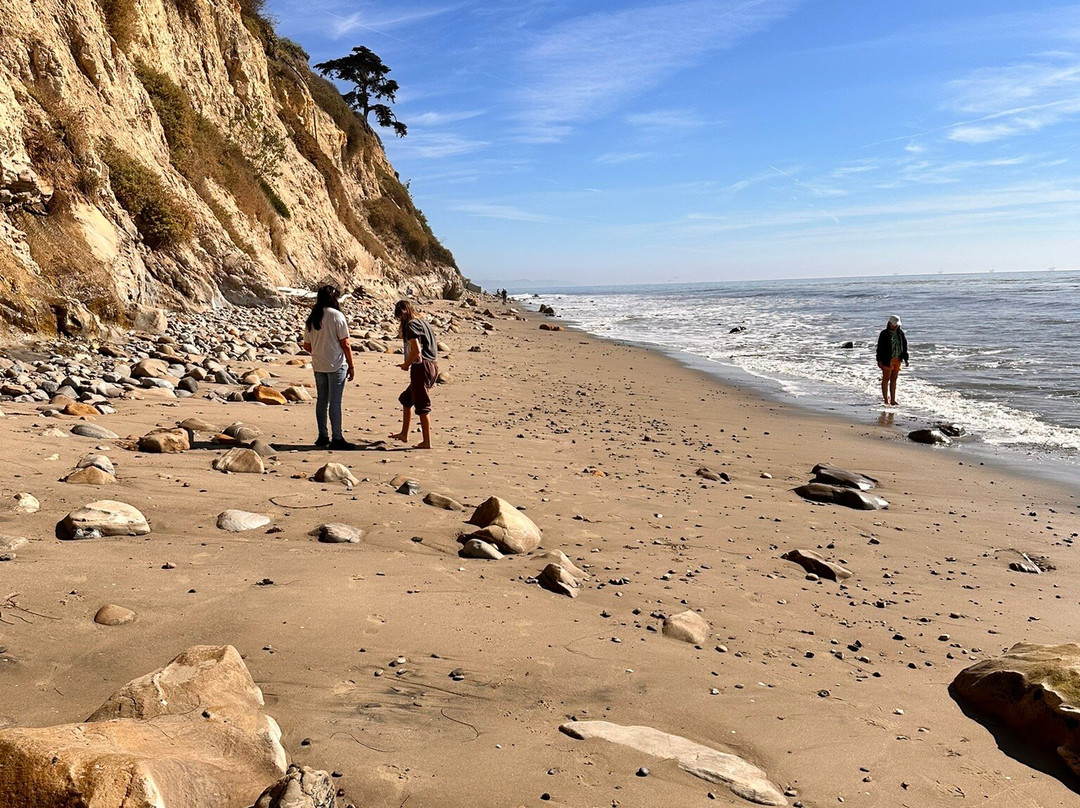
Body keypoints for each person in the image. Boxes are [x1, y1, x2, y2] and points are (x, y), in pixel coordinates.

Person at [302, 285, 355, 449]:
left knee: (322, 400)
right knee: (335, 401)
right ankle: (337, 438)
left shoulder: (312, 318)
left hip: (319, 364)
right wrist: (351, 366)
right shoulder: (337, 316)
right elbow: (345, 343)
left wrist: (319, 351)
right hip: (336, 364)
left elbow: (307, 345)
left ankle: (322, 436)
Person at [388, 300, 439, 449]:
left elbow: (416, 351)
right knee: (406, 399)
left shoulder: (411, 325)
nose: (399, 320)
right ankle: (404, 434)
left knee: (422, 405)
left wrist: (406, 364)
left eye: (399, 317)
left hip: (421, 367)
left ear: (403, 313)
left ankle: (426, 442)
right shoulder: (423, 322)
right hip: (432, 365)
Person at [875, 314, 909, 406]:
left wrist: (906, 359)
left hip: (897, 359)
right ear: (890, 323)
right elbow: (880, 348)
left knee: (894, 379)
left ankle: (893, 400)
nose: (896, 326)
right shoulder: (884, 334)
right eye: (894, 324)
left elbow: (904, 346)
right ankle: (886, 399)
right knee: (886, 379)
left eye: (897, 324)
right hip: (887, 359)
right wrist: (879, 360)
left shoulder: (900, 333)